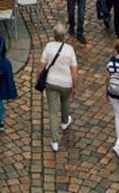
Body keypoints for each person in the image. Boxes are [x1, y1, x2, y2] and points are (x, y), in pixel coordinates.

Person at [37, 23, 78, 153]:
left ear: (54, 35)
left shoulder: (49, 47)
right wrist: (75, 86)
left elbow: (41, 66)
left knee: (53, 112)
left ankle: (55, 141)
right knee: (65, 101)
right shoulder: (70, 49)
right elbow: (74, 71)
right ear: (64, 36)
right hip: (66, 83)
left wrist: (38, 80)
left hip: (51, 82)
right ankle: (65, 121)